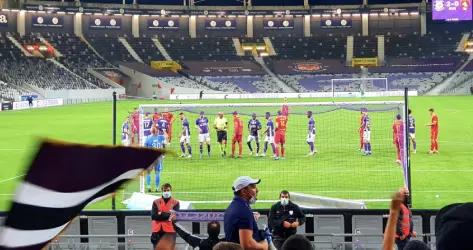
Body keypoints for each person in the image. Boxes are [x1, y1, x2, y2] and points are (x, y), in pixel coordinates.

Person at [224, 176, 269, 250]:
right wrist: (264, 246)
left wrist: (251, 219)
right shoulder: (244, 211)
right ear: (244, 191)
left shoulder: (234, 206)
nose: (257, 190)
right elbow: (248, 245)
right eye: (253, 187)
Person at [150, 183, 180, 249]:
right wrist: (168, 215)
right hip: (157, 231)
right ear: (162, 191)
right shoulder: (156, 202)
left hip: (170, 231)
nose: (166, 192)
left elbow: (175, 217)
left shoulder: (176, 202)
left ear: (171, 191)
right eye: (164, 190)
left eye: (168, 190)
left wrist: (160, 213)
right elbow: (154, 216)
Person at [145, 127, 165, 192]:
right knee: (157, 173)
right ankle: (157, 188)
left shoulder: (148, 138)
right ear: (156, 131)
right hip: (158, 158)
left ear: (151, 131)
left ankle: (148, 187)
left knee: (148, 173)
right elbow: (166, 138)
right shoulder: (160, 137)